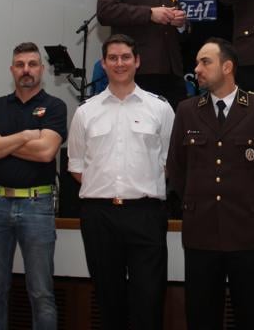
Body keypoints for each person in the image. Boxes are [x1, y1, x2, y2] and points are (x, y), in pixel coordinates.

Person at [167, 37, 254, 330]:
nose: (197, 69)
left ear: (227, 67)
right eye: (196, 63)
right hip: (201, 232)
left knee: (249, 314)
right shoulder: (186, 110)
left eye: (205, 62)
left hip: (247, 232)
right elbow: (177, 168)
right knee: (201, 316)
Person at [67, 34, 174, 330]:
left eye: (126, 57)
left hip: (146, 215)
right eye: (112, 58)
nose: (119, 63)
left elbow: (169, 162)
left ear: (137, 61)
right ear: (103, 64)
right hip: (99, 216)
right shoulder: (85, 111)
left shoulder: (160, 108)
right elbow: (77, 167)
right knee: (108, 300)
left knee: (149, 301)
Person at [0, 42, 67, 330]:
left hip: (37, 204)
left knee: (41, 293)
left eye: (32, 64)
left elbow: (46, 153)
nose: (26, 70)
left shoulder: (55, 106)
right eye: (20, 65)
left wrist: (0, 141)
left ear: (42, 69)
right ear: (12, 70)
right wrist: (26, 136)